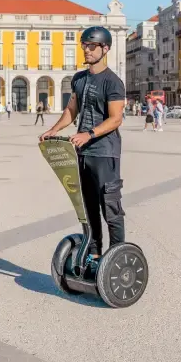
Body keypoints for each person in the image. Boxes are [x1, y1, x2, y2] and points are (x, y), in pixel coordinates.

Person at [39, 26, 126, 264]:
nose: (86, 50)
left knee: (110, 207)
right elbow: (71, 110)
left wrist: (89, 134)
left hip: (105, 152)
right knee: (87, 208)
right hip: (82, 152)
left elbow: (115, 118)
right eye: (84, 46)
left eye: (91, 46)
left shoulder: (113, 82)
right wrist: (54, 130)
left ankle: (117, 256)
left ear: (105, 49)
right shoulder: (79, 79)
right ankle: (95, 254)